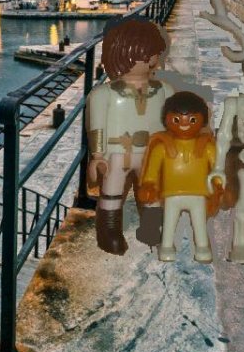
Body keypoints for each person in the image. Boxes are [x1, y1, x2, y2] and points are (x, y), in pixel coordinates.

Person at [86, 16, 172, 255]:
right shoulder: (104, 94)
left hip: (151, 153)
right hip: (117, 153)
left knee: (151, 192)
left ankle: (153, 227)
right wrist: (98, 156)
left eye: (153, 53)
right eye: (147, 54)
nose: (152, 59)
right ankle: (109, 232)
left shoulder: (164, 91)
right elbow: (97, 127)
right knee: (112, 192)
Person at [138, 92, 222, 262]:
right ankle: (167, 247)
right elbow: (152, 171)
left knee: (199, 223)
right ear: (166, 119)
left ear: (203, 120)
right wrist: (149, 184)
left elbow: (217, 168)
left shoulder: (207, 146)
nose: (184, 124)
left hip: (198, 193)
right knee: (169, 223)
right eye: (177, 119)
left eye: (192, 119)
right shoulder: (161, 147)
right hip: (172, 194)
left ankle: (202, 248)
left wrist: (218, 185)